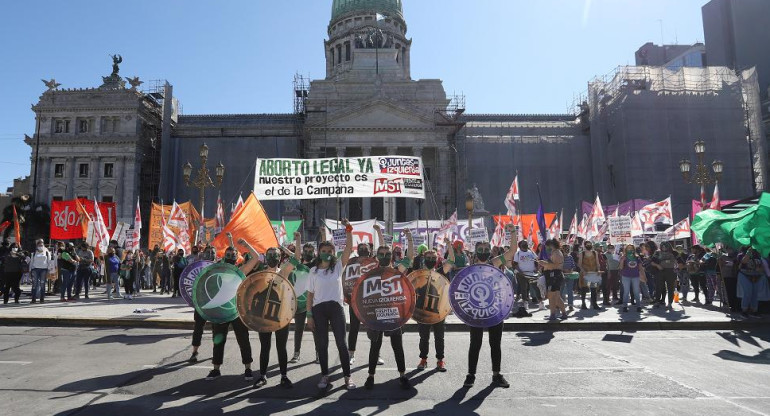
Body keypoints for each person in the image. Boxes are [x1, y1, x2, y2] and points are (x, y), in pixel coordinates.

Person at [245, 233, 301, 389]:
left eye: (275, 254)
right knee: (265, 346)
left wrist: (297, 240)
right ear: (266, 257)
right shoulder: (259, 274)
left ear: (279, 257)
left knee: (281, 347)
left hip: (281, 315)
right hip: (263, 316)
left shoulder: (283, 271)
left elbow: (296, 258)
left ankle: (284, 376)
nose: (272, 257)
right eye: (269, 254)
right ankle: (262, 376)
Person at [306, 219, 356, 391]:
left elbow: (349, 249)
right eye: (324, 250)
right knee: (322, 344)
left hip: (336, 308)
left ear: (333, 253)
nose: (326, 253)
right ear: (319, 252)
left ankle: (347, 378)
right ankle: (325, 376)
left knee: (341, 343)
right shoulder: (313, 271)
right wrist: (309, 315)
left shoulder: (338, 267)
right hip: (319, 310)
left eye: (329, 251)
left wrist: (348, 229)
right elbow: (310, 295)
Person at [362, 225, 415, 390]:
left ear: (391, 256)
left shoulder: (397, 270)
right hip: (376, 312)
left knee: (397, 345)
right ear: (376, 256)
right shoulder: (372, 272)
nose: (384, 256)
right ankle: (370, 376)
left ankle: (402, 375)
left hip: (394, 312)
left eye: (387, 254)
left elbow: (410, 257)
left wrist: (410, 239)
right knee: (374, 346)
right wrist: (378, 233)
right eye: (381, 254)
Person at [463, 239, 516, 389]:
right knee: (475, 343)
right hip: (476, 312)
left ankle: (496, 374)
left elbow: (512, 251)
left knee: (495, 344)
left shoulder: (495, 263)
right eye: (481, 249)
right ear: (476, 251)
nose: (484, 251)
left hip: (495, 310)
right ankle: (470, 375)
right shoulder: (470, 269)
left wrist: (512, 233)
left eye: (487, 248)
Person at [205, 240, 257, 383]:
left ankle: (248, 368)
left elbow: (256, 258)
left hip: (236, 311)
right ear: (224, 255)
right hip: (221, 311)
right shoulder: (218, 270)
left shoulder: (241, 271)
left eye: (233, 255)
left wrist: (246, 245)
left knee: (243, 340)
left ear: (236, 257)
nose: (230, 257)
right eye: (228, 254)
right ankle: (216, 369)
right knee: (218, 340)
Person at [416, 237, 455, 373]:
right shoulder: (419, 273)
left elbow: (451, 260)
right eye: (429, 257)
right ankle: (423, 359)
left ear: (437, 259)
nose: (431, 260)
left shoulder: (441, 271)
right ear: (424, 258)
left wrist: (449, 244)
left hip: (438, 310)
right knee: (423, 337)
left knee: (439, 337)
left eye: (434, 258)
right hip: (422, 310)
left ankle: (440, 360)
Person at [289, 242, 318, 364]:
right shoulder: (297, 265)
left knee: (315, 329)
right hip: (300, 302)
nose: (307, 253)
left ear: (314, 253)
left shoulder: (316, 265)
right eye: (305, 251)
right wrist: (298, 240)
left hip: (314, 302)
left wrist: (323, 235)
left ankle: (318, 354)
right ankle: (296, 354)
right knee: (298, 328)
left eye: (310, 251)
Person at [540, 239, 568, 321]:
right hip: (553, 275)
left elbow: (555, 265)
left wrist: (544, 263)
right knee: (556, 296)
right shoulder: (555, 252)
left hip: (554, 276)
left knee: (551, 296)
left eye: (547, 246)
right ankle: (563, 313)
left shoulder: (556, 253)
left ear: (551, 245)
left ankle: (553, 314)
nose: (546, 248)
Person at [737, 248, 768, 318]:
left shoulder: (758, 255)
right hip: (744, 275)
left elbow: (762, 267)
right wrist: (748, 252)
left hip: (756, 276)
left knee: (754, 294)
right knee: (747, 292)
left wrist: (760, 269)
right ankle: (744, 311)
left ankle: (754, 311)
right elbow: (744, 261)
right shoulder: (741, 254)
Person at [513, 240, 539, 309]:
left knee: (536, 287)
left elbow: (536, 260)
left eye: (526, 243)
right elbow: (515, 264)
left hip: (531, 273)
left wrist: (537, 268)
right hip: (522, 274)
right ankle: (525, 303)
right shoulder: (518, 253)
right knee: (524, 288)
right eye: (524, 243)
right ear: (520, 245)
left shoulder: (531, 252)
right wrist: (520, 271)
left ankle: (541, 303)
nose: (525, 244)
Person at [620, 244, 646, 313]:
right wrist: (622, 260)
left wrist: (644, 276)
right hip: (626, 276)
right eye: (628, 248)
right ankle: (625, 306)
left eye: (631, 248)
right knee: (626, 291)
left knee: (637, 291)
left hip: (636, 276)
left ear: (634, 249)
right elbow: (620, 268)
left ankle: (639, 306)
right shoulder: (624, 257)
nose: (630, 250)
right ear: (626, 249)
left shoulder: (637, 257)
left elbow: (640, 268)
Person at [578, 241, 602, 310]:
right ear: (585, 245)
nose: (589, 245)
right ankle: (583, 304)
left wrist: (598, 270)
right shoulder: (581, 253)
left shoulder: (595, 253)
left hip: (593, 274)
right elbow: (579, 264)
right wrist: (583, 271)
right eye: (587, 244)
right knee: (584, 289)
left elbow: (597, 263)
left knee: (594, 289)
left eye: (590, 244)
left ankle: (594, 304)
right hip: (585, 275)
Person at [654, 242, 678, 310]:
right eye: (662, 246)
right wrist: (657, 265)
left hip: (671, 271)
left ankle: (670, 303)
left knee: (671, 288)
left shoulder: (674, 253)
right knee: (659, 287)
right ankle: (657, 301)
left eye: (665, 246)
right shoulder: (657, 253)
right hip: (660, 271)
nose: (664, 248)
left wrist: (677, 268)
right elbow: (652, 261)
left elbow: (680, 261)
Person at [29, 239, 52, 304]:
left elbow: (49, 261)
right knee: (34, 285)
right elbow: (31, 261)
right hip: (35, 269)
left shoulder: (46, 251)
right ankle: (33, 299)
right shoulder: (34, 252)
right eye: (39, 244)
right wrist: (30, 270)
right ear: (37, 245)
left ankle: (42, 299)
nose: (40, 245)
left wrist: (49, 270)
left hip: (44, 269)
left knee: (42, 285)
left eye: (42, 244)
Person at [560, 243, 578, 311]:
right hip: (562, 276)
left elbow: (573, 265)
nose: (566, 250)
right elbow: (558, 266)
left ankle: (570, 305)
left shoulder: (570, 257)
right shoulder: (560, 257)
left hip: (570, 276)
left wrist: (570, 270)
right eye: (564, 248)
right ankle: (560, 304)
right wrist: (564, 270)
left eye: (567, 248)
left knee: (570, 291)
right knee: (561, 291)